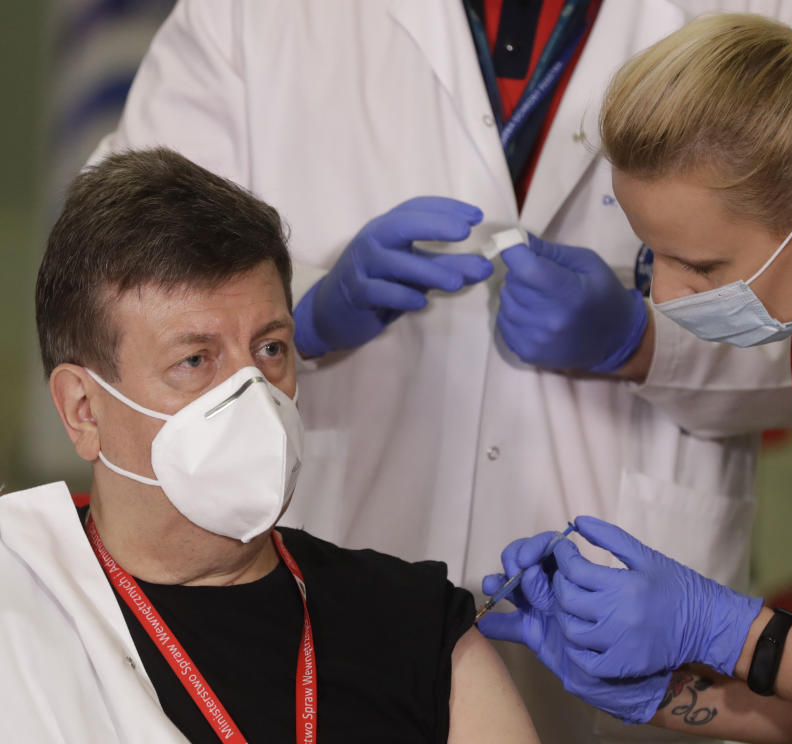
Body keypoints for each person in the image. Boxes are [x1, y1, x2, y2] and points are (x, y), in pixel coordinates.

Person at [89, 3, 792, 741]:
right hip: (334, 564)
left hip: (626, 603)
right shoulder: (245, 16)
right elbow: (107, 272)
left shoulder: (777, 12)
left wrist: (642, 340)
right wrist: (301, 314)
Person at [479, 2, 792, 742]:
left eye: (701, 265)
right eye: (652, 256)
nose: (663, 298)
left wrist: (730, 629)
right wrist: (656, 694)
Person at [4, 147, 539, 744]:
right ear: (84, 410)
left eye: (270, 349)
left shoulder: (415, 626)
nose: (251, 392)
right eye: (195, 360)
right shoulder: (19, 605)